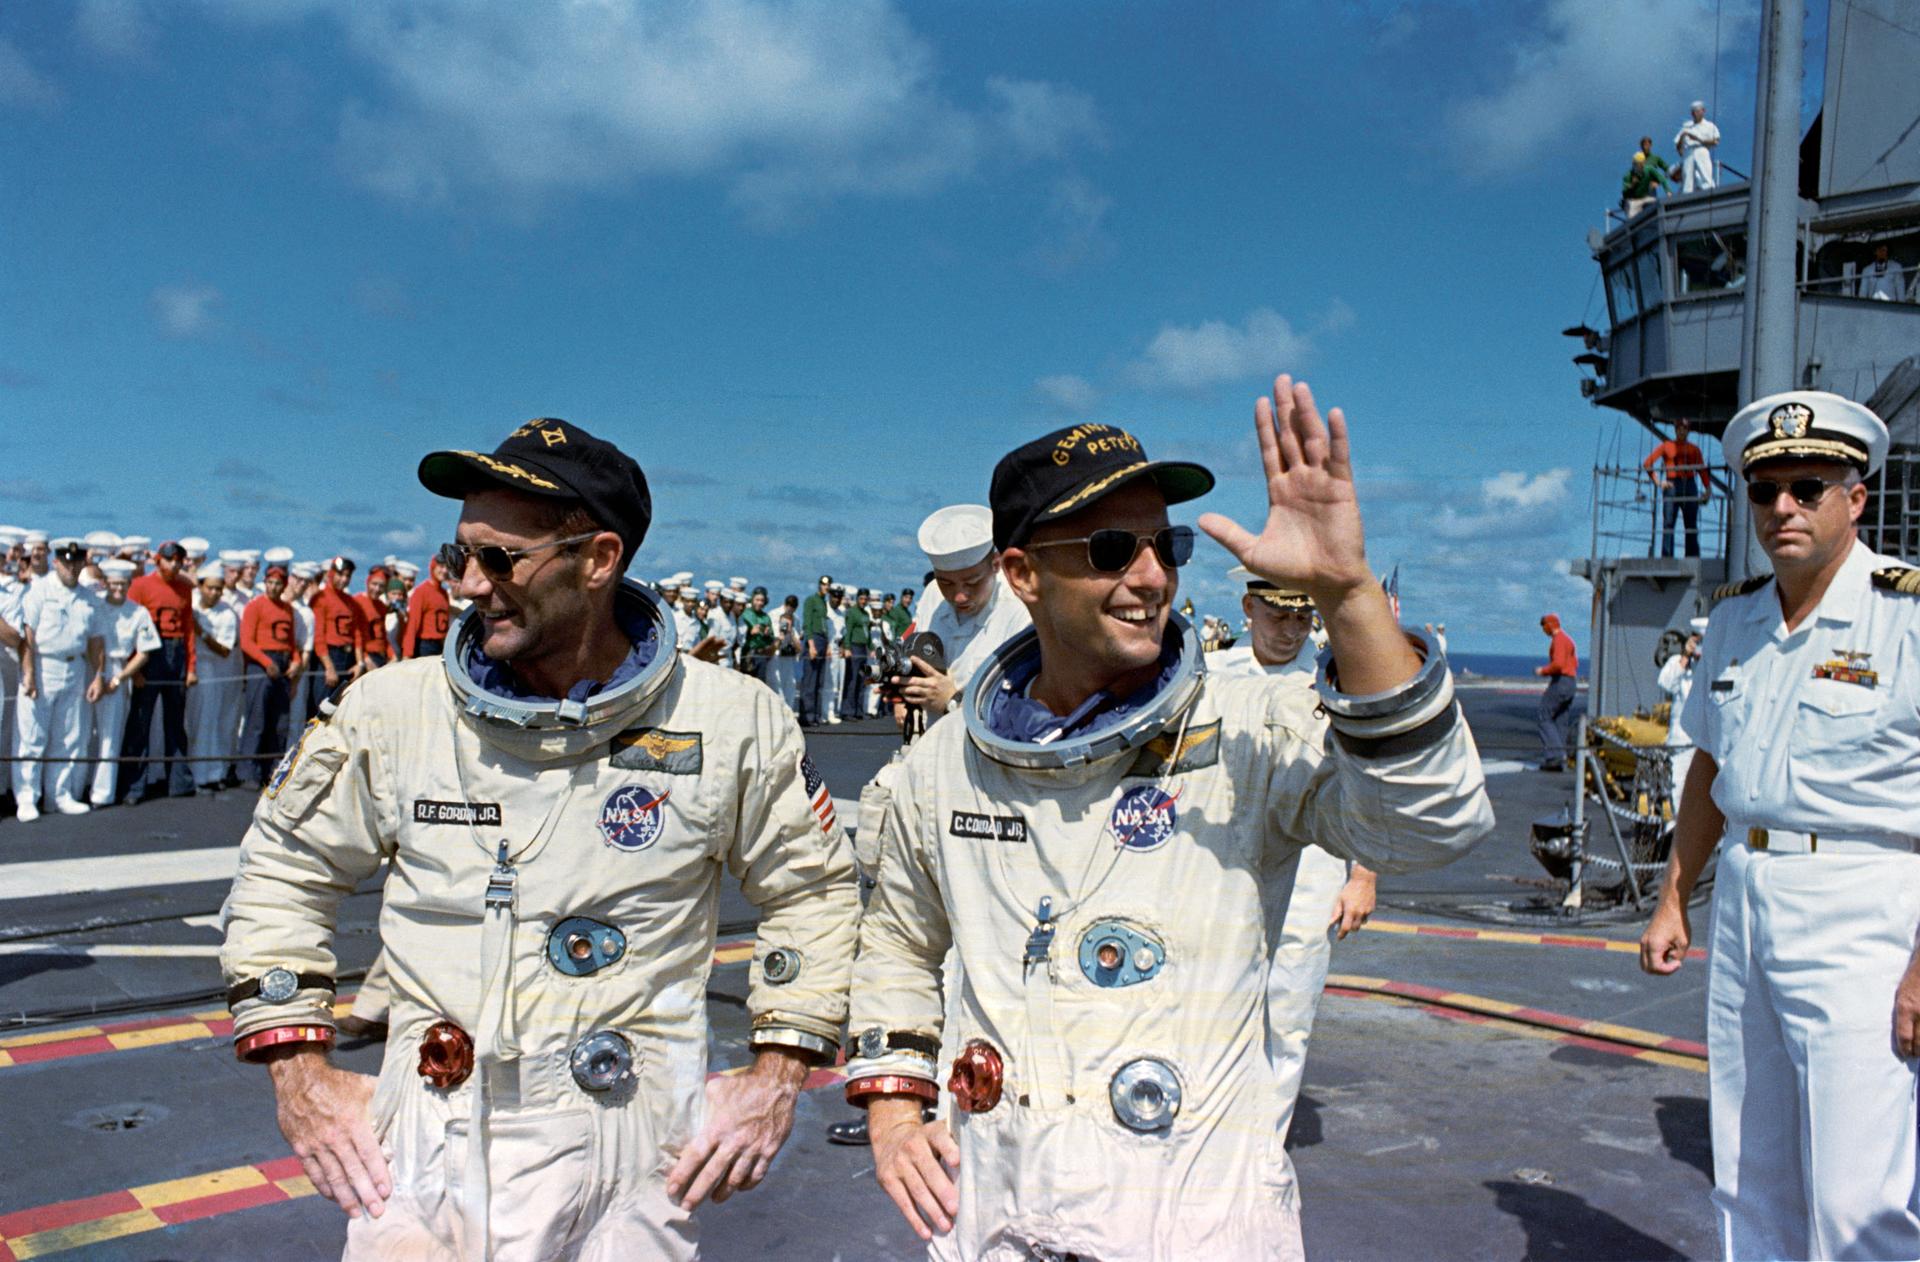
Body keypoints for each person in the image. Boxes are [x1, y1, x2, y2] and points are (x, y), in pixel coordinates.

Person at [846, 385, 1492, 1258]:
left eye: (1166, 545)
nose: (1150, 576)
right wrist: (895, 1103)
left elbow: (1429, 826)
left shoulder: (1251, 728)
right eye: (1112, 548)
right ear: (1022, 575)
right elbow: (897, 938)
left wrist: (1347, 593)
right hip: (993, 1212)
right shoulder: (946, 764)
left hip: (1192, 1220)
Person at [220, 417, 859, 1259]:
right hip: (420, 1148)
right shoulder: (391, 711)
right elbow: (282, 871)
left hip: (633, 1153)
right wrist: (298, 1070)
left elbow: (812, 892)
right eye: (459, 558)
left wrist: (778, 1073)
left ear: (598, 560)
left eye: (500, 560)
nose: (470, 587)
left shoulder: (730, 720)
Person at [1639, 390, 1920, 1260]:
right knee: (1748, 1175)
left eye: (1809, 486)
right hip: (1747, 909)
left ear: (1856, 497)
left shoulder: (1907, 616)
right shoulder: (1733, 621)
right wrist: (1674, 895)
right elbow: (1711, 772)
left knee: (1854, 1197)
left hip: (1864, 906)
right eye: (1766, 492)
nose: (1783, 509)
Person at [894, 505, 1032, 717]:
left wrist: (952, 701)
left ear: (996, 565)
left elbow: (1020, 708)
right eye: (946, 583)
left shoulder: (1020, 610)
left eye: (972, 582)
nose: (959, 596)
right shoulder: (933, 594)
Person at [11, 539, 106, 821]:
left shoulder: (89, 598)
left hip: (75, 668)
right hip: (43, 665)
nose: (72, 568)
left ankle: (60, 794)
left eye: (77, 563)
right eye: (67, 563)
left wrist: (98, 676)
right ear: (56, 562)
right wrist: (28, 673)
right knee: (32, 736)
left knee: (70, 736)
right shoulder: (38, 591)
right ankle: (28, 797)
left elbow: (96, 641)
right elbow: (27, 636)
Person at [123, 540, 197, 801]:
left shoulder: (184, 589)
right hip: (150, 652)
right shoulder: (140, 586)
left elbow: (188, 629)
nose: (174, 564)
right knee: (140, 723)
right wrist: (135, 668)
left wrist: (190, 667)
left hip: (175, 652)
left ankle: (179, 783)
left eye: (178, 560)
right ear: (158, 560)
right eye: (169, 559)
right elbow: (132, 627)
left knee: (176, 723)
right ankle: (133, 787)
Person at [88, 559, 160, 807]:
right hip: (89, 668)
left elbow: (144, 652)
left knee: (110, 736)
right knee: (79, 735)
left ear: (129, 584)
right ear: (105, 583)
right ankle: (73, 789)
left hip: (118, 671)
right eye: (113, 584)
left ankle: (102, 794)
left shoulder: (138, 612)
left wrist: (120, 677)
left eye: (122, 584)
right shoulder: (94, 605)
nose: (118, 589)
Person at [238, 565, 298, 788]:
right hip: (261, 664)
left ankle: (273, 769)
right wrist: (265, 662)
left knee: (280, 720)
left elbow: (291, 643)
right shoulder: (255, 607)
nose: (273, 587)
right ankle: (247, 772)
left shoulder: (288, 610)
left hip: (282, 664)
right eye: (270, 582)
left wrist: (296, 661)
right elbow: (246, 641)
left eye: (278, 583)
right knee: (256, 720)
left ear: (284, 585)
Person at [187, 561, 242, 791]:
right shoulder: (191, 604)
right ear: (200, 586)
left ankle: (209, 773)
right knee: (190, 723)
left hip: (212, 671)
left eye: (219, 589)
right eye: (210, 588)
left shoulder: (227, 614)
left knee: (209, 723)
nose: (215, 593)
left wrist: (201, 632)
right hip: (189, 670)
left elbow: (225, 649)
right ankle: (190, 772)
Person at [1655, 616, 1707, 808]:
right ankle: (1672, 835)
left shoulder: (1716, 665)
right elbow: (1666, 683)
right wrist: (1685, 657)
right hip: (1681, 743)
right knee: (1676, 796)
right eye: (1697, 640)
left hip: (1705, 746)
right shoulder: (1678, 663)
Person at [1642, 417, 1710, 558]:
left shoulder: (1694, 450)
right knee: (1668, 522)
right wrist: (1658, 482)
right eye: (1679, 428)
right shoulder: (1666, 446)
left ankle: (1691, 556)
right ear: (1676, 430)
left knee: (1690, 523)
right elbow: (1648, 463)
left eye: (1684, 429)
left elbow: (1702, 471)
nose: (1681, 431)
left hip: (1689, 484)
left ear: (1688, 431)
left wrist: (1708, 489)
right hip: (1672, 484)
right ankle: (1667, 556)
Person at [310, 557, 366, 703]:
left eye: (348, 576)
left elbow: (357, 633)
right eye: (340, 574)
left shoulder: (351, 601)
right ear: (331, 573)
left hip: (348, 659)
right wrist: (329, 667)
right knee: (322, 707)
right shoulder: (320, 598)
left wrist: (359, 663)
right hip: (329, 657)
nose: (344, 579)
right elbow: (319, 637)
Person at [1534, 612, 1578, 770]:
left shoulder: (1558, 640)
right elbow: (1574, 663)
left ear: (1550, 625)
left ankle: (1554, 757)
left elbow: (1558, 664)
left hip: (1560, 681)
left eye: (1544, 626)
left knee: (1544, 715)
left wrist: (1542, 671)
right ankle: (1561, 758)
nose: (1543, 630)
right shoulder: (1568, 640)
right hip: (1571, 683)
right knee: (1560, 719)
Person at [798, 575, 833, 726]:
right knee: (809, 681)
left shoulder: (824, 603)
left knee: (819, 681)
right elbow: (807, 624)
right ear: (819, 585)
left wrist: (827, 645)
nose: (826, 587)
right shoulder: (811, 600)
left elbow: (824, 625)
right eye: (824, 584)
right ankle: (806, 716)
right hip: (814, 640)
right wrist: (811, 645)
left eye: (828, 585)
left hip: (823, 640)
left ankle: (816, 715)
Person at [402, 556, 453, 659]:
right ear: (433, 568)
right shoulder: (421, 591)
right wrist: (407, 653)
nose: (444, 570)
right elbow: (413, 624)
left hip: (440, 646)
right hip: (424, 646)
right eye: (441, 567)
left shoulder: (444, 594)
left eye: (447, 567)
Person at [840, 587, 872, 719]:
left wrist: (872, 647)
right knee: (852, 680)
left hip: (863, 648)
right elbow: (848, 630)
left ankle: (858, 710)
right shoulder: (852, 612)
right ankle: (847, 711)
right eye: (861, 598)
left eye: (866, 599)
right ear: (857, 599)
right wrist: (847, 647)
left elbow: (867, 633)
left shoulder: (866, 614)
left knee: (861, 679)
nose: (863, 601)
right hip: (854, 647)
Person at [1675, 100, 1720, 192]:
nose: (1695, 114)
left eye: (1698, 111)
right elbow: (1678, 145)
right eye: (1694, 112)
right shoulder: (1686, 126)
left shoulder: (1709, 126)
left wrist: (1698, 139)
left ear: (1703, 111)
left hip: (1701, 149)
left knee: (1704, 173)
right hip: (1688, 152)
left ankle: (1708, 190)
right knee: (1688, 176)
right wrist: (1682, 137)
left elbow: (1715, 141)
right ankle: (1687, 194)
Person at [1621, 139, 1673, 216]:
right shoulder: (1629, 174)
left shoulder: (1653, 162)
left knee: (1653, 209)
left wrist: (1663, 187)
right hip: (1635, 197)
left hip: (1649, 190)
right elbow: (1624, 191)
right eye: (1643, 145)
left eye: (1647, 145)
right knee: (1633, 216)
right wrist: (1632, 185)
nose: (1645, 147)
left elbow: (1666, 173)